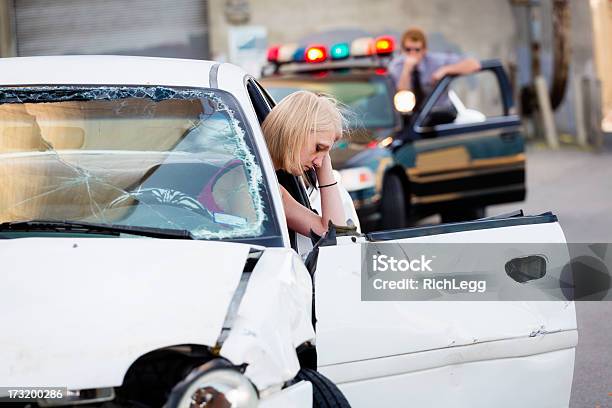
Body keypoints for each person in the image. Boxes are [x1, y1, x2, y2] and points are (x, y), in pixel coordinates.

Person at [261, 90, 348, 237]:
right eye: (318, 148)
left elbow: (334, 235)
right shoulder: (248, 181)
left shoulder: (272, 189)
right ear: (295, 132)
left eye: (324, 155)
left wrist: (324, 158)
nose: (318, 163)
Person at [388, 27, 481, 114]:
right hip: (409, 117)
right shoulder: (397, 66)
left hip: (439, 114)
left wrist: (446, 70)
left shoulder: (435, 61)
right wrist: (406, 69)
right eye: (408, 49)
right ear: (402, 50)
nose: (412, 53)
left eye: (417, 50)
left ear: (424, 50)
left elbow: (474, 64)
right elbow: (402, 92)